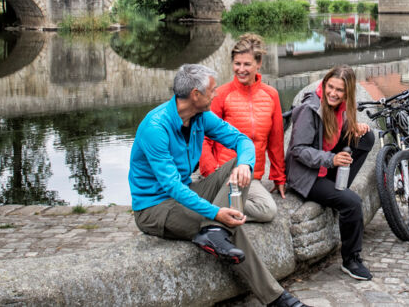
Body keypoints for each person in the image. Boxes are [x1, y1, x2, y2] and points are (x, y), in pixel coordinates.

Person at [128, 64, 307, 307]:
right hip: (154, 208)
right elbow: (171, 187)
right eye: (212, 90)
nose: (216, 94)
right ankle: (277, 298)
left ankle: (214, 232)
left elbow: (241, 140)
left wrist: (244, 164)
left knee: (237, 164)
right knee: (228, 224)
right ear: (195, 94)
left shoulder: (200, 117)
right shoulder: (155, 127)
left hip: (186, 192)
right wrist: (216, 212)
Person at [286, 65, 376, 281]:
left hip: (324, 168)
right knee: (352, 202)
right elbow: (298, 150)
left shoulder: (340, 107)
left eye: (340, 90)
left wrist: (352, 128)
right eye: (330, 87)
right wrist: (332, 160)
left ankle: (338, 188)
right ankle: (351, 260)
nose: (333, 93)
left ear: (348, 92)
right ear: (324, 84)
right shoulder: (309, 109)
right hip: (306, 176)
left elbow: (331, 133)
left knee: (366, 137)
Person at [200, 34, 286, 222]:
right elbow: (203, 139)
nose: (241, 69)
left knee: (267, 210)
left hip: (250, 177)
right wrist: (212, 174)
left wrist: (279, 177)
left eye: (246, 64)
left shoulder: (271, 95)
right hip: (223, 174)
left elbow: (276, 140)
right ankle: (216, 203)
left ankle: (214, 207)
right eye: (237, 64)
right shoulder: (221, 94)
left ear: (259, 63)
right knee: (265, 210)